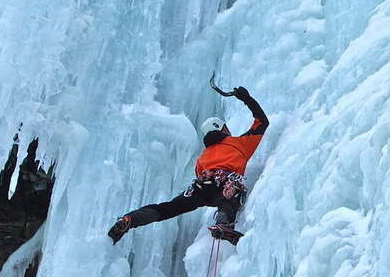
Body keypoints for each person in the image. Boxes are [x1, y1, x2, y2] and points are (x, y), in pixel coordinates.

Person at [108, 86, 269, 245]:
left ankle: (130, 219)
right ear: (222, 129)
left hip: (201, 187)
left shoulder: (203, 157)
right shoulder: (239, 144)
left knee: (168, 208)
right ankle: (223, 225)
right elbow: (262, 122)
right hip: (224, 183)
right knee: (229, 201)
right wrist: (247, 99)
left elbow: (200, 174)